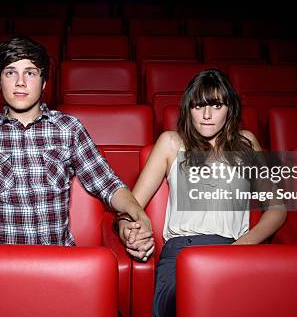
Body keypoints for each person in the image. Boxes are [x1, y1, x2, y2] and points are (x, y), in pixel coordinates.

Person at [0, 36, 152, 246]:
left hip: (53, 260)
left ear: (44, 82)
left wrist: (137, 212)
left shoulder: (68, 129)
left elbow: (108, 184)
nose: (20, 82)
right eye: (10, 73)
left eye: (30, 73)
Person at [117, 69, 287, 317]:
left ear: (230, 109)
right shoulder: (171, 143)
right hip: (182, 255)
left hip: (236, 250)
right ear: (189, 109)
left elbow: (277, 208)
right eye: (199, 106)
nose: (207, 115)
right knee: (191, 303)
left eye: (216, 105)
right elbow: (130, 207)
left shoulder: (246, 143)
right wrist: (125, 228)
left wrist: (241, 248)